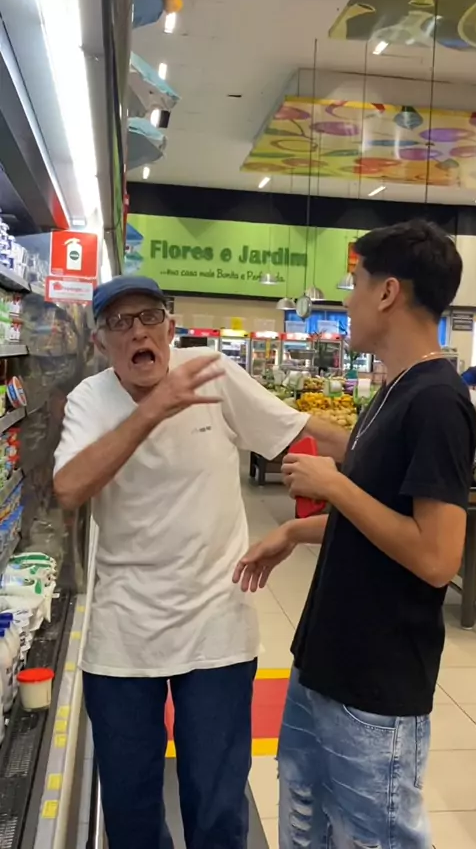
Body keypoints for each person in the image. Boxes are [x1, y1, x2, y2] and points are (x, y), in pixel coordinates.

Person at [53, 275, 340, 849]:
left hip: (216, 628)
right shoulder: (90, 398)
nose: (138, 331)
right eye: (119, 322)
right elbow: (69, 488)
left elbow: (297, 428)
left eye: (149, 317)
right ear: (101, 342)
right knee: (131, 813)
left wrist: (394, 455)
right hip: (123, 634)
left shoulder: (212, 372)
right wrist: (154, 410)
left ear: (170, 327)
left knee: (216, 809)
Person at [234, 220, 476, 849]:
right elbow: (378, 507)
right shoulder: (394, 388)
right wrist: (297, 529)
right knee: (305, 822)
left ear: (388, 292)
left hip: (377, 685)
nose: (346, 301)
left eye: (355, 284)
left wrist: (334, 486)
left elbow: (436, 556)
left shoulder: (438, 401)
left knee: (375, 837)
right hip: (325, 662)